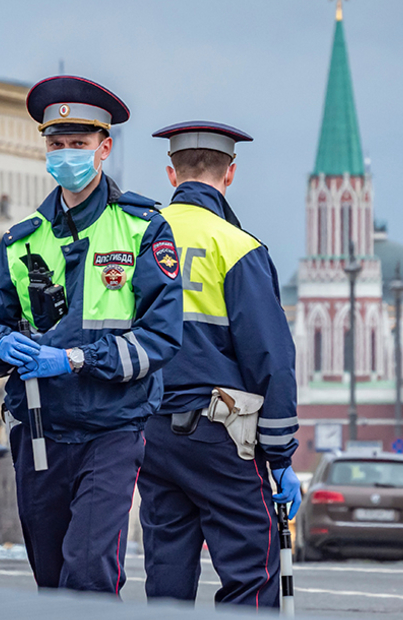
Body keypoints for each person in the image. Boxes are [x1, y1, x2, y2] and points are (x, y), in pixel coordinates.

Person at [0, 75, 183, 595]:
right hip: (40, 432)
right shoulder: (22, 240)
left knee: (88, 570)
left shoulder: (143, 229)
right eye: (56, 144)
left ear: (104, 149)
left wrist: (78, 361)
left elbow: (160, 339)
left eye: (79, 145)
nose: (66, 155)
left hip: (112, 428)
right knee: (50, 580)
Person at [138, 121, 299, 609]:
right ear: (230, 174)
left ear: (172, 174)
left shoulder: (139, 239)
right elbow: (270, 356)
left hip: (151, 432)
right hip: (220, 436)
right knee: (251, 567)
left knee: (166, 570)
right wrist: (281, 455)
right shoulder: (239, 248)